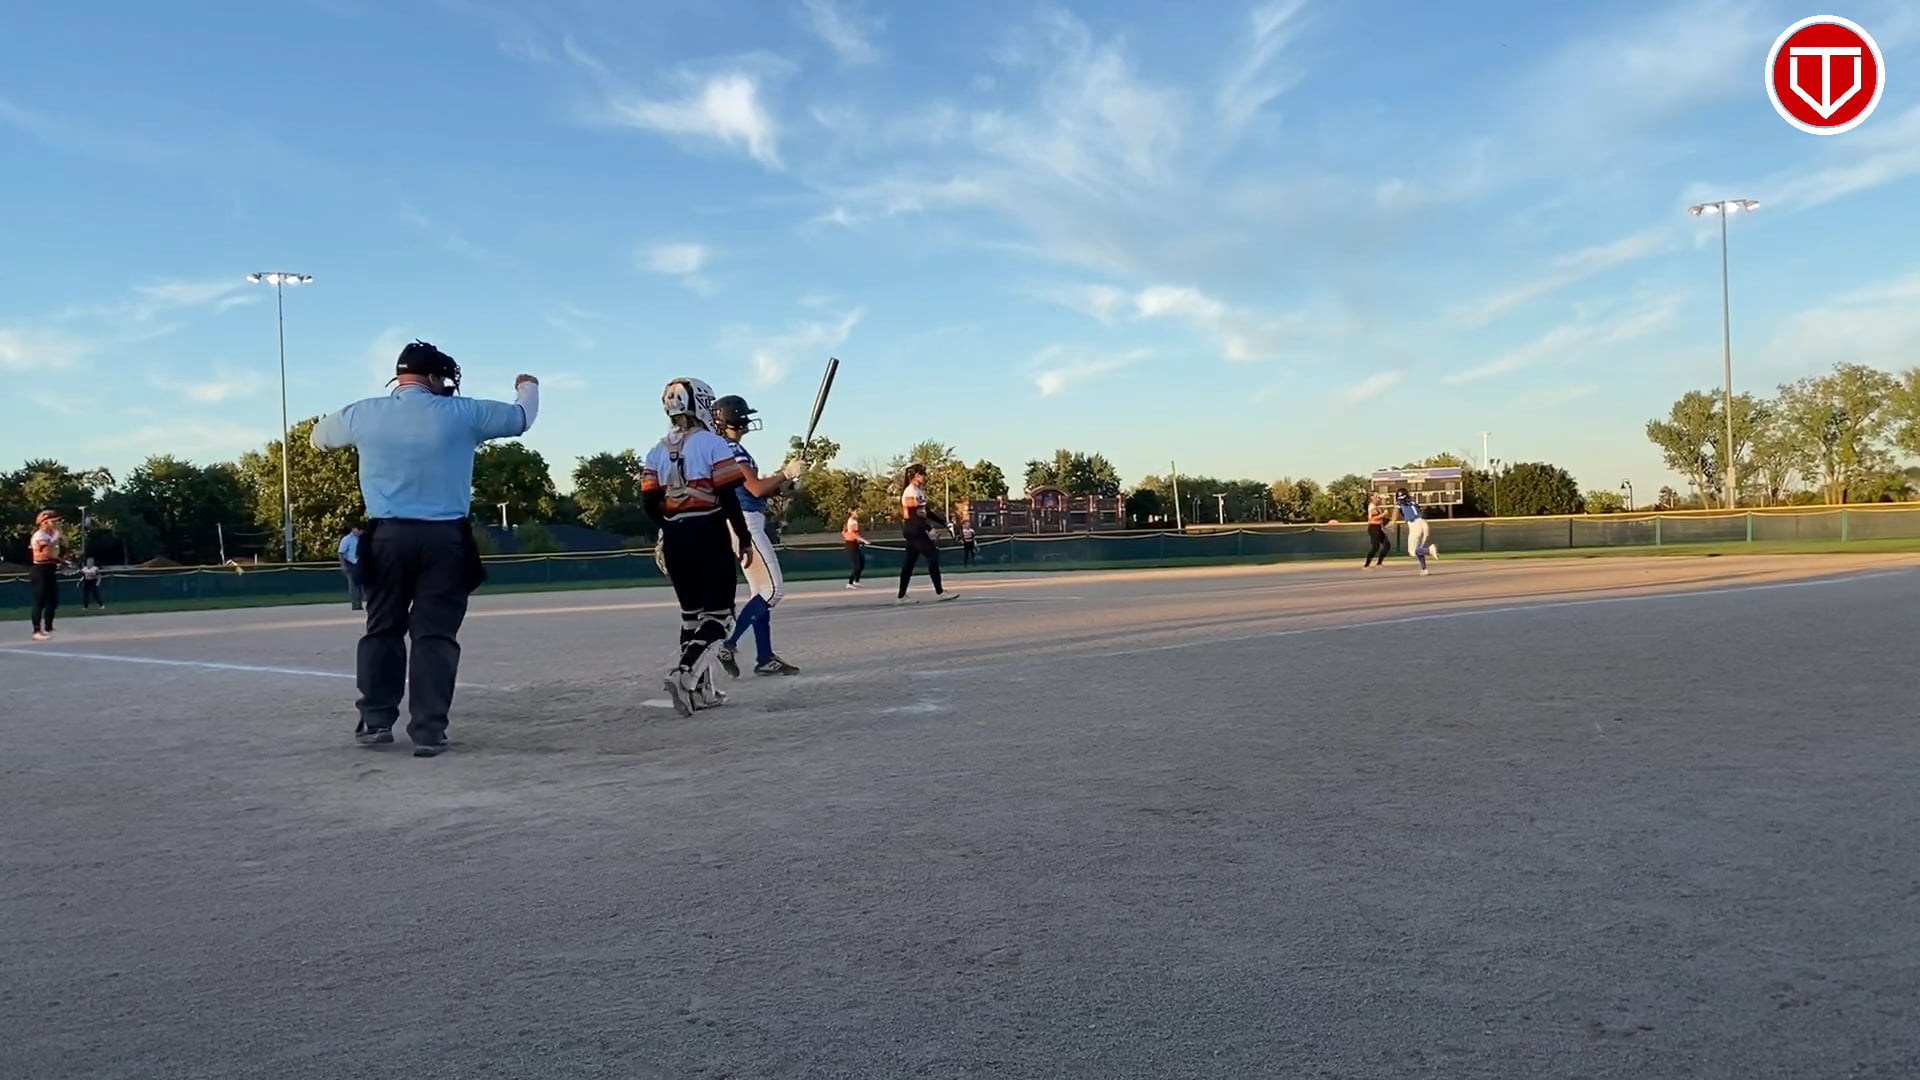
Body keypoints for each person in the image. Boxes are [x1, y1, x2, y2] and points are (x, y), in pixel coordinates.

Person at [310, 339, 540, 757]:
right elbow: (523, 417)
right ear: (434, 377)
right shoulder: (463, 413)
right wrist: (528, 385)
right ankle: (429, 729)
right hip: (445, 539)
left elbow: (318, 438)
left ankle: (376, 720)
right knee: (435, 635)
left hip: (387, 537)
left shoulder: (364, 413)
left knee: (382, 630)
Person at [639, 377, 757, 717]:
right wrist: (743, 538)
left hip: (675, 538)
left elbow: (648, 502)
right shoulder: (712, 444)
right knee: (721, 617)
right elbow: (728, 497)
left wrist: (669, 527)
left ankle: (703, 690)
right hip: (708, 532)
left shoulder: (656, 450)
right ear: (700, 404)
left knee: (692, 617)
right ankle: (685, 673)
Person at [710, 393, 805, 677]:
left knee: (760, 593)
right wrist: (785, 474)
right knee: (773, 591)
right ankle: (728, 644)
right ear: (733, 419)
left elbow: (757, 489)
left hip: (741, 521)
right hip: (746, 523)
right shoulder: (731, 449)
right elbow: (755, 488)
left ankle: (765, 658)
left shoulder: (724, 448)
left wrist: (784, 486)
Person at [897, 462, 957, 604]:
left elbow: (926, 511)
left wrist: (943, 522)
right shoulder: (910, 491)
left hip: (915, 528)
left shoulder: (918, 491)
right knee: (932, 556)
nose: (925, 476)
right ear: (916, 475)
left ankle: (902, 596)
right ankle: (940, 592)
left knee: (909, 563)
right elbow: (912, 516)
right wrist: (928, 528)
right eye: (923, 474)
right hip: (914, 528)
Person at [28, 509, 63, 641]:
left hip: (50, 569)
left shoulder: (52, 535)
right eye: (53, 521)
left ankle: (48, 626)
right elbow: (46, 553)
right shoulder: (40, 535)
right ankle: (37, 631)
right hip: (40, 570)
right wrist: (61, 559)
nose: (56, 524)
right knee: (40, 601)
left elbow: (59, 549)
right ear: (45, 522)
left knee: (53, 600)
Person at [1391, 487, 1440, 575]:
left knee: (1413, 551)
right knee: (1419, 550)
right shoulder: (1413, 501)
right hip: (1423, 523)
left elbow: (1396, 510)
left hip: (1415, 525)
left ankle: (1429, 550)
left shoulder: (1400, 502)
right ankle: (1424, 569)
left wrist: (1393, 522)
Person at [337, 524, 364, 610]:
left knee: (360, 585)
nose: (360, 532)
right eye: (358, 530)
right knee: (353, 585)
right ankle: (355, 605)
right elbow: (341, 553)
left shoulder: (362, 538)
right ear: (353, 529)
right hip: (350, 564)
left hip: (360, 564)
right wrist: (343, 565)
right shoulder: (347, 539)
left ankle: (359, 603)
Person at [842, 509, 870, 589]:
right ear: (851, 513)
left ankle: (856, 581)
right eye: (856, 512)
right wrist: (864, 541)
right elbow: (852, 534)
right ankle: (849, 583)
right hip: (850, 545)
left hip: (855, 544)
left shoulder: (854, 521)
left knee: (861, 563)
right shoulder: (850, 522)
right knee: (857, 566)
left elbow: (847, 533)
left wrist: (859, 541)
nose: (857, 513)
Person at [1363, 493, 1392, 568]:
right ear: (1372, 498)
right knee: (1375, 547)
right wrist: (1383, 514)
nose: (1378, 499)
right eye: (1376, 497)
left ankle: (1379, 563)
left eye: (1378, 497)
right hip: (1373, 528)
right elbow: (1373, 518)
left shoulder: (1377, 507)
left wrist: (1387, 521)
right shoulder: (1372, 506)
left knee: (1387, 545)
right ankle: (1366, 565)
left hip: (1378, 528)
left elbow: (1382, 519)